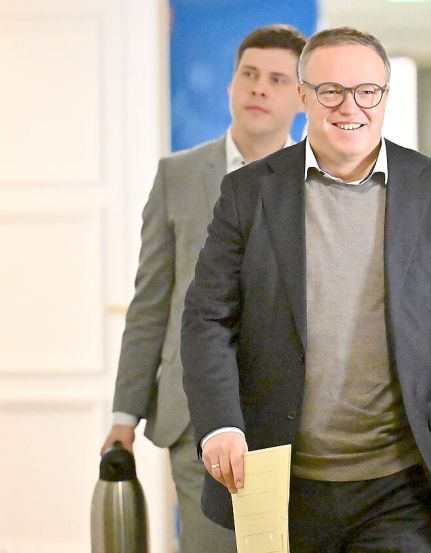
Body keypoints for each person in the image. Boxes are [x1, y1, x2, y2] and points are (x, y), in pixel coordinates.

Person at [181, 27, 431, 552]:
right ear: (303, 96)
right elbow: (207, 318)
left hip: (402, 483)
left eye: (366, 91)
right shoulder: (249, 191)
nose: (349, 106)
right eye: (330, 90)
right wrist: (220, 424)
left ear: (384, 96)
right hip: (281, 478)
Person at [102, 24, 306, 553]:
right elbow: (151, 304)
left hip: (294, 415)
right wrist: (124, 417)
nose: (259, 88)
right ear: (231, 85)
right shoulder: (179, 176)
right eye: (249, 75)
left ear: (302, 98)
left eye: (278, 79)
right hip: (194, 415)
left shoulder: (317, 182)